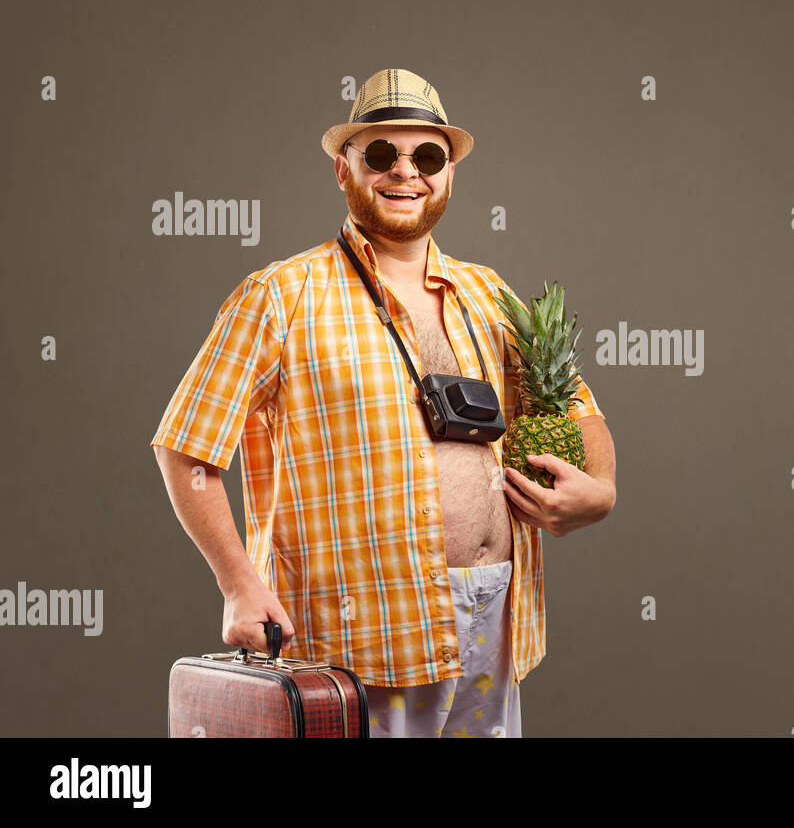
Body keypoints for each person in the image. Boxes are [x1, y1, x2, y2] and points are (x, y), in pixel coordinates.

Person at [150, 68, 616, 738]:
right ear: (345, 170)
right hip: (363, 634)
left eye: (427, 156)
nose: (406, 172)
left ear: (449, 172)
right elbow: (185, 445)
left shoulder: (493, 296)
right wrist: (238, 584)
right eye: (380, 154)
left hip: (498, 624)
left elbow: (578, 410)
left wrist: (599, 491)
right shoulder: (281, 296)